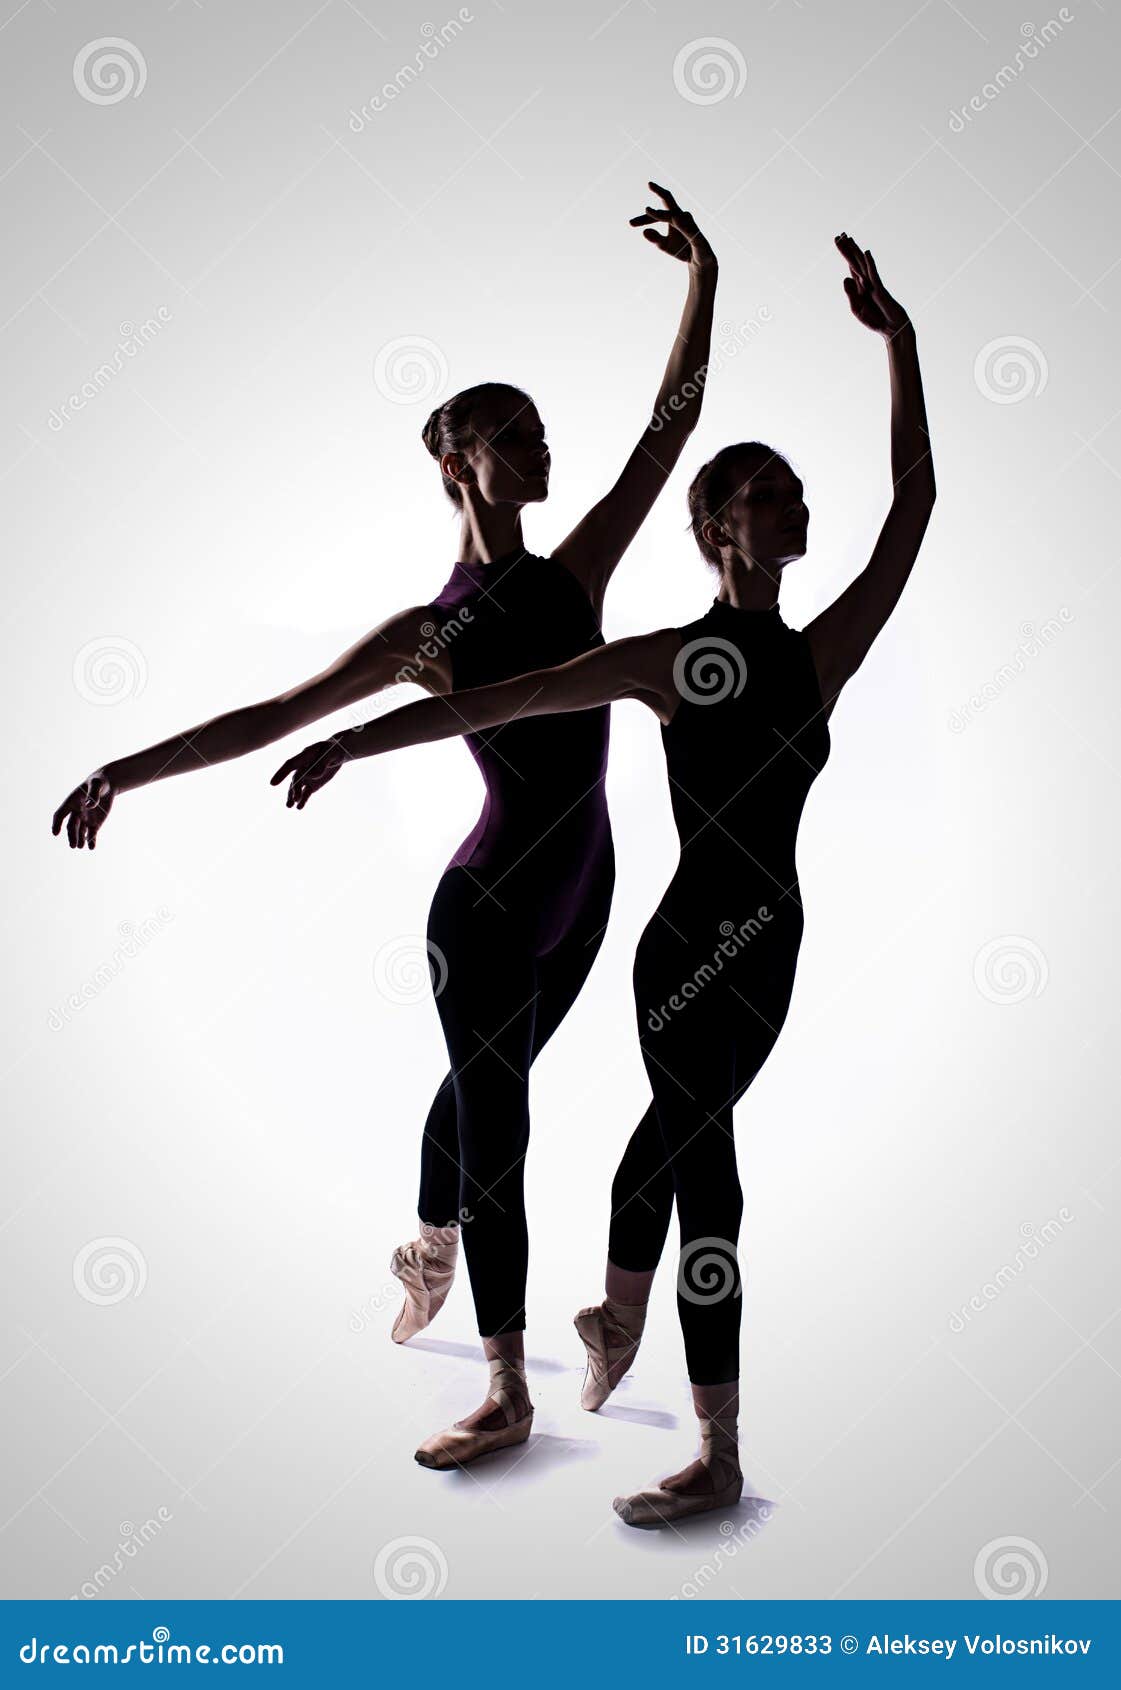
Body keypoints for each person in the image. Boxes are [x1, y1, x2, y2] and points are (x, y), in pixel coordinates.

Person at [52, 184, 719, 1473]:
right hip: (488, 906)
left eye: (540, 433)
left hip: (585, 887)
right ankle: (508, 1385)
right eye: (515, 438)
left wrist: (705, 277)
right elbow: (274, 712)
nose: (542, 451)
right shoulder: (435, 632)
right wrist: (126, 770)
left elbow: (668, 426)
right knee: (502, 1120)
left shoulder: (574, 574)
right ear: (460, 463)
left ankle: (425, 1242)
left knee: (482, 1094)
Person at [273, 234, 935, 1517]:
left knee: (665, 1138)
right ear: (713, 524)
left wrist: (898, 344)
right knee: (706, 1166)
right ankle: (715, 1445)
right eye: (770, 494)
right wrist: (358, 733)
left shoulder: (820, 656)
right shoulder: (667, 659)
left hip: (776, 943)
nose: (798, 509)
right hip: (683, 947)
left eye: (801, 495)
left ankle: (612, 1306)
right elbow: (517, 690)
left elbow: (910, 507)